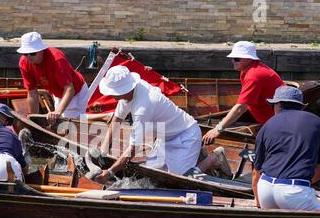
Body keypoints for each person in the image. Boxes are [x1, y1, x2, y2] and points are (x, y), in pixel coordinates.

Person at [92, 66, 229, 184]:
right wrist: (103, 150)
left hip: (186, 135)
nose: (111, 95)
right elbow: (117, 120)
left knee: (181, 180)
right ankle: (194, 155)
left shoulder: (143, 107)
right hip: (164, 138)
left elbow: (133, 149)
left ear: (125, 89)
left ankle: (215, 158)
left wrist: (109, 173)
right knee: (152, 174)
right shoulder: (130, 92)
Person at [252, 85, 320, 211]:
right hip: (294, 191)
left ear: (278, 104)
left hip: (265, 189)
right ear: (301, 106)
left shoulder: (267, 125)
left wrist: (258, 201)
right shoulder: (317, 123)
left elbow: (256, 172)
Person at [202, 41, 284, 145]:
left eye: (236, 59)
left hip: (278, 124)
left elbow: (241, 107)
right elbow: (244, 104)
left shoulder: (254, 76)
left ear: (249, 59)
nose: (232, 61)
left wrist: (218, 129)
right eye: (232, 58)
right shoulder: (246, 70)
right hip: (269, 119)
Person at [17, 31, 88, 124]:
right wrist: (33, 120)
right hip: (58, 93)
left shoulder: (57, 59)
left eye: (33, 53)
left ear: (41, 50)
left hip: (77, 92)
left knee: (70, 124)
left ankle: (104, 117)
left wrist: (57, 112)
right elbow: (32, 93)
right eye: (26, 54)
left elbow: (70, 89)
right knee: (62, 121)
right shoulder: (24, 63)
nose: (29, 57)